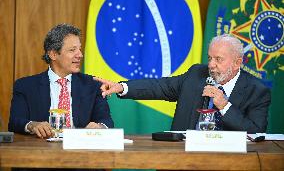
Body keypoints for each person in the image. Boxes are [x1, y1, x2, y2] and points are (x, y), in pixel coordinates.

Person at [95, 34, 271, 133]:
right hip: (183, 158)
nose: (211, 65)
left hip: (228, 163)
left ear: (237, 62)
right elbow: (159, 87)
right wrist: (122, 87)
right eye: (210, 58)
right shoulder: (196, 74)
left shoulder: (257, 91)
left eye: (218, 59)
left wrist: (224, 106)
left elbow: (255, 132)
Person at [8, 23, 114, 139]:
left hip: (81, 151)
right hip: (41, 151)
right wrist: (32, 125)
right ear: (53, 54)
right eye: (72, 50)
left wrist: (100, 126)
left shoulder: (93, 85)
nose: (80, 55)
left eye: (79, 49)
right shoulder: (25, 86)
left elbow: (106, 120)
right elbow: (14, 122)